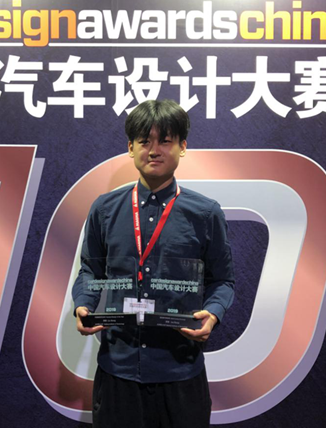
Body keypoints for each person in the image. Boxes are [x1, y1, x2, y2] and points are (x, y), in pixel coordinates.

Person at [72, 99, 235, 428]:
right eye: (145, 141)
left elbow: (223, 281)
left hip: (180, 370)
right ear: (130, 148)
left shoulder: (205, 213)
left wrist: (213, 312)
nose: (154, 150)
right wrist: (83, 304)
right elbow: (91, 270)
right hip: (118, 371)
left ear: (183, 147)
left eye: (166, 141)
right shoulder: (104, 209)